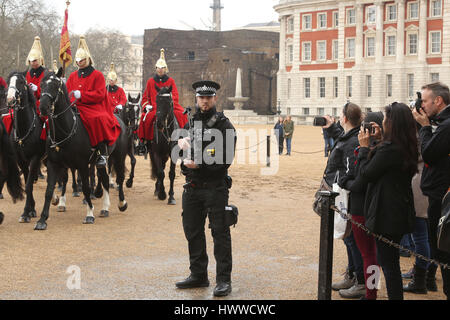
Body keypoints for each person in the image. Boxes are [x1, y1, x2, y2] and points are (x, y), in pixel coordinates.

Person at [176, 80, 236, 297]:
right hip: (192, 187)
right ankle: (198, 274)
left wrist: (199, 163)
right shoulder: (191, 122)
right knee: (192, 231)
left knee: (220, 233)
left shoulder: (224, 125)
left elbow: (225, 159)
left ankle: (223, 280)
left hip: (215, 187)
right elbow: (182, 155)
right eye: (201, 97)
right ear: (197, 99)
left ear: (214, 99)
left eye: (208, 98)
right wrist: (182, 152)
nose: (204, 101)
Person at [358, 102, 418, 300]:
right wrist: (380, 139)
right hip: (397, 210)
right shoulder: (404, 144)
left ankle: (373, 294)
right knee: (386, 262)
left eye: (385, 119)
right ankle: (372, 293)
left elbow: (367, 173)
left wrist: (365, 148)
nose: (383, 122)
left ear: (392, 123)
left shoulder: (390, 150)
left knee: (387, 265)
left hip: (386, 214)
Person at [338, 111, 384, 300]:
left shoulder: (373, 150)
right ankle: (371, 289)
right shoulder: (374, 148)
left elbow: (358, 181)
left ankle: (371, 293)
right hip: (366, 205)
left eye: (370, 127)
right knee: (371, 254)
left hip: (362, 207)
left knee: (369, 255)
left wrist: (345, 182)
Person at [323, 103, 365, 299]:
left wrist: (339, 183)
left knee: (353, 239)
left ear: (346, 118)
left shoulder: (353, 141)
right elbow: (342, 134)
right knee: (348, 238)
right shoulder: (351, 134)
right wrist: (331, 127)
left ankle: (360, 280)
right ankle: (352, 273)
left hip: (346, 194)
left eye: (341, 115)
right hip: (341, 191)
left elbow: (351, 172)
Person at [413, 82, 450, 299]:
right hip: (439, 193)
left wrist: (425, 127)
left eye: (425, 100)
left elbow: (428, 153)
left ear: (438, 100)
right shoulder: (441, 122)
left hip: (442, 197)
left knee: (443, 252)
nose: (422, 105)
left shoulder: (445, 126)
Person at [66, 36, 121, 168]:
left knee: (97, 119)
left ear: (88, 59)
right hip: (75, 106)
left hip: (94, 106)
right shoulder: (73, 76)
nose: (79, 62)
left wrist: (82, 95)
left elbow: (100, 94)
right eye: (78, 60)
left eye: (82, 60)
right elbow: (67, 92)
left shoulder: (98, 75)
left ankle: (102, 152)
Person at [138, 48, 187, 142]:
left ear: (165, 69)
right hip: (155, 108)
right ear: (156, 68)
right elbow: (145, 97)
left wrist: (171, 102)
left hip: (169, 107)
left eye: (162, 68)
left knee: (182, 115)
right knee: (146, 118)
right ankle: (145, 142)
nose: (160, 70)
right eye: (158, 68)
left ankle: (183, 138)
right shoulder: (150, 82)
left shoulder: (170, 81)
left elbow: (175, 95)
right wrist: (146, 105)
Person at [403, 151, 432, 294]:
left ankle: (421, 277)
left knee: (420, 236)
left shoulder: (422, 132)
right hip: (425, 181)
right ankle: (424, 274)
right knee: (424, 236)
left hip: (419, 184)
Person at [25, 36, 47, 118]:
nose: (32, 63)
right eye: (30, 61)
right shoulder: (27, 74)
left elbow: (48, 91)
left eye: (34, 60)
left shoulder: (45, 73)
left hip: (40, 103)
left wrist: (37, 89)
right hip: (27, 103)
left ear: (39, 60)